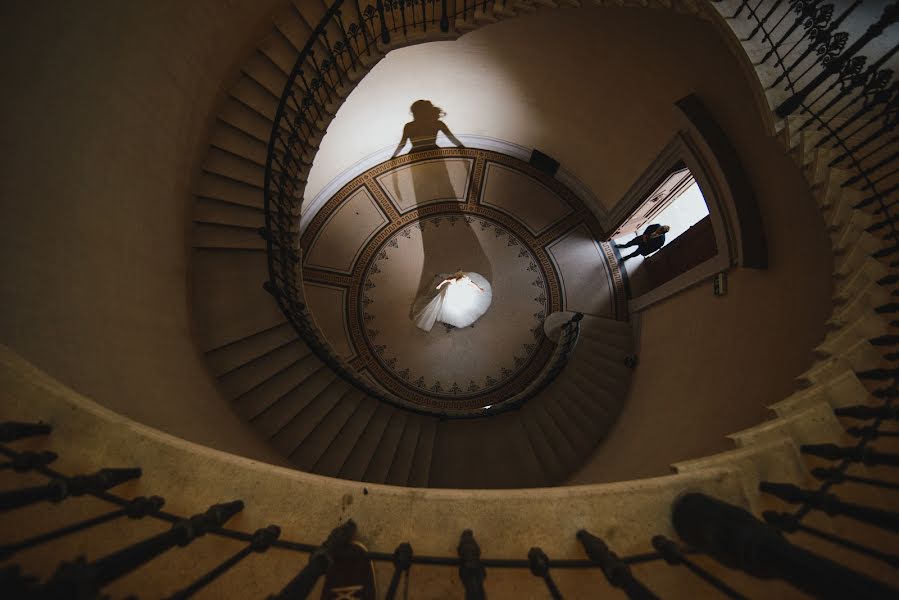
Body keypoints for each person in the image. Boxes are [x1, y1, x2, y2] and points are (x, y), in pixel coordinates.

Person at [412, 270, 492, 332]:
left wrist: (479, 289)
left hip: (462, 291)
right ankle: (450, 319)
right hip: (452, 291)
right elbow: (446, 281)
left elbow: (472, 284)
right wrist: (439, 285)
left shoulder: (465, 280)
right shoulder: (453, 280)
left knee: (464, 303)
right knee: (449, 305)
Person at [391, 99, 465, 158]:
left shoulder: (409, 126)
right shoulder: (437, 123)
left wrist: (394, 156)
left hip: (420, 155)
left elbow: (402, 144)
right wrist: (461, 147)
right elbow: (402, 144)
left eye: (415, 112)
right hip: (429, 154)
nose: (414, 114)